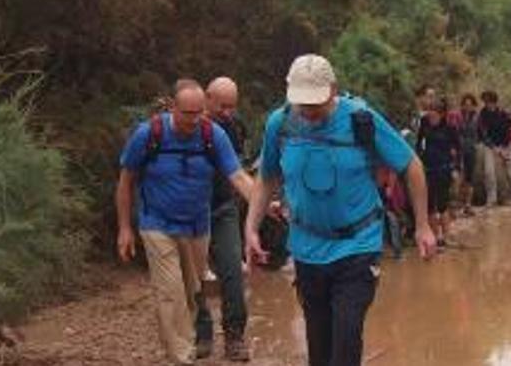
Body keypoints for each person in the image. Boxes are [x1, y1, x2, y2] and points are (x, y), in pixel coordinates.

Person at [244, 54, 436, 366]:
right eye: (303, 104)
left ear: (333, 89)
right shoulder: (279, 124)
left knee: (346, 342)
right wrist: (251, 228)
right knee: (319, 347)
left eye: (316, 103)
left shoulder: (361, 120)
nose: (309, 112)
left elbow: (411, 165)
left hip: (356, 246)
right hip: (306, 249)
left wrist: (423, 225)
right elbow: (267, 177)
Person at [116, 81, 256, 365]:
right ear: (173, 108)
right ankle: (182, 356)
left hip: (197, 226)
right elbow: (126, 180)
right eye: (187, 113)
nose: (193, 120)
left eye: (198, 113)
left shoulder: (211, 134)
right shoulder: (149, 134)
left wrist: (265, 203)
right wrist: (125, 228)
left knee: (193, 293)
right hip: (157, 223)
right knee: (170, 292)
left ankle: (198, 339)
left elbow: (238, 177)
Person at [193, 77, 251, 361]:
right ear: (207, 97)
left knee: (232, 272)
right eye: (223, 105)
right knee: (194, 277)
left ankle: (235, 337)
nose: (228, 111)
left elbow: (239, 169)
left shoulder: (233, 126)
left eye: (232, 106)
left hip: (224, 207)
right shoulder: (185, 123)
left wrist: (261, 203)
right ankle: (202, 335)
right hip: (189, 213)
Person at [416, 100, 461, 246]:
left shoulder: (449, 129)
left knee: (443, 204)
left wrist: (456, 168)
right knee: (430, 205)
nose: (431, 115)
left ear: (442, 114)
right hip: (427, 169)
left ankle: (446, 237)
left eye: (434, 113)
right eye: (429, 112)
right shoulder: (424, 126)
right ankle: (435, 236)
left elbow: (458, 149)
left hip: (444, 169)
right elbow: (418, 145)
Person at [477, 90, 511, 206]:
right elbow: (483, 134)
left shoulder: (503, 113)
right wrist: (494, 148)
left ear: (494, 102)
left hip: (506, 145)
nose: (487, 104)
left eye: (489, 101)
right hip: (490, 146)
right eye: (485, 101)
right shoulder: (482, 115)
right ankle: (492, 198)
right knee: (489, 172)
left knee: (510, 170)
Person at [458, 94, 481, 209]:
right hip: (459, 150)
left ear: (473, 106)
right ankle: (460, 203)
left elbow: (481, 133)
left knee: (469, 178)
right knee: (460, 177)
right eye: (465, 105)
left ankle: (468, 204)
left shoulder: (477, 118)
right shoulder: (457, 117)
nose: (467, 107)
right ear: (462, 105)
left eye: (470, 105)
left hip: (471, 150)